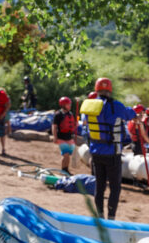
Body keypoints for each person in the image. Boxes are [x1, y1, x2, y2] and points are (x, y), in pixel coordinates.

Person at [81, 77, 136, 220]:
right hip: (112, 154)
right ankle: (111, 217)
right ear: (110, 90)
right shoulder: (116, 106)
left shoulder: (88, 106)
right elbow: (130, 114)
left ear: (96, 90)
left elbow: (84, 125)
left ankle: (99, 215)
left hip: (95, 153)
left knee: (99, 187)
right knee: (115, 187)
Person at [53, 96, 76, 174]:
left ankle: (66, 170)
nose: (70, 106)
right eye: (68, 104)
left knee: (68, 155)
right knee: (65, 154)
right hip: (61, 137)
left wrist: (76, 125)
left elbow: (73, 125)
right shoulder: (58, 114)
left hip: (69, 137)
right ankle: (63, 170)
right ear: (63, 105)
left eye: (70, 104)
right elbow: (54, 126)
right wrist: (55, 137)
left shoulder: (70, 114)